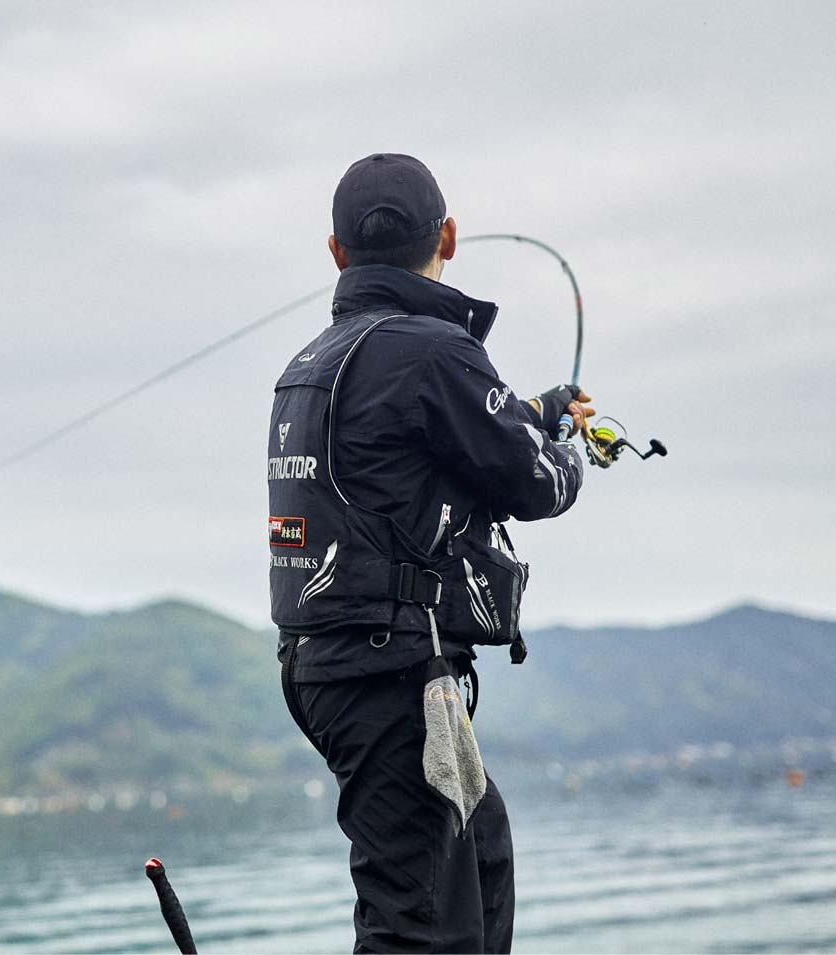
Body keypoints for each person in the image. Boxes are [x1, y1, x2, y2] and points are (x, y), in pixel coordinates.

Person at [268, 153, 590, 953]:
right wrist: (570, 446)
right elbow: (535, 484)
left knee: (479, 865)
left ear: (337, 253)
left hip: (328, 667)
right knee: (419, 926)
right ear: (447, 234)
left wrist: (535, 409)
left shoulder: (311, 365)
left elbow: (422, 441)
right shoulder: (432, 352)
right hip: (388, 674)